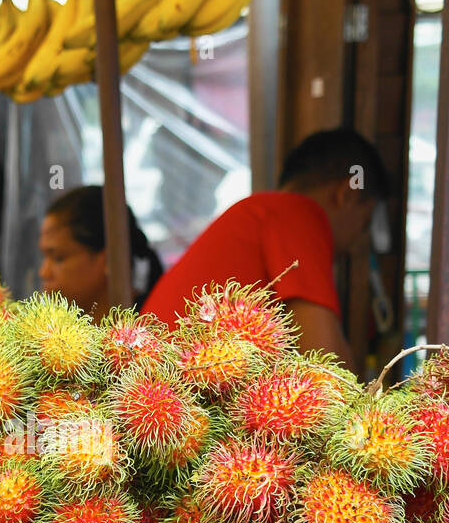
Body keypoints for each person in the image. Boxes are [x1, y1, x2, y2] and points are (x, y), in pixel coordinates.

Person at [142, 128, 389, 369]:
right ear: (345, 194)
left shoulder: (262, 211)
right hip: (167, 394)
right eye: (364, 223)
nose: (357, 241)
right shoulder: (298, 215)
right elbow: (327, 367)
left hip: (152, 386)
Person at [39, 185, 164, 320]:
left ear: (109, 261)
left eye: (58, 258)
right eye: (45, 257)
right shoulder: (55, 333)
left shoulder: (148, 334)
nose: (44, 273)